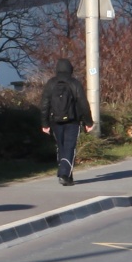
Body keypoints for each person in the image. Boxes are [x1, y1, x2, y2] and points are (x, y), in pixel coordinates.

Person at [40, 58, 91, 186]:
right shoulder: (75, 83)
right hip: (72, 121)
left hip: (55, 121)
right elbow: (83, 104)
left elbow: (44, 105)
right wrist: (88, 122)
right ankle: (64, 174)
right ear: (70, 69)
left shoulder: (50, 83)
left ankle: (67, 175)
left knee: (61, 147)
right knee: (70, 147)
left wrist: (45, 124)